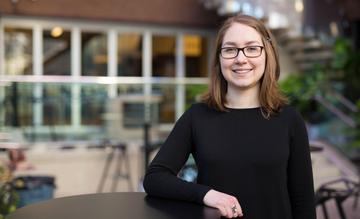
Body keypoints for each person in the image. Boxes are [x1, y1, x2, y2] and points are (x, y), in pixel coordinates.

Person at [143, 14, 316, 219]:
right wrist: (206, 194)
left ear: (267, 54)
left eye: (252, 48)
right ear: (219, 58)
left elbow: (303, 202)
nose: (241, 59)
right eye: (230, 50)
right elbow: (155, 178)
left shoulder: (289, 120)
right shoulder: (197, 116)